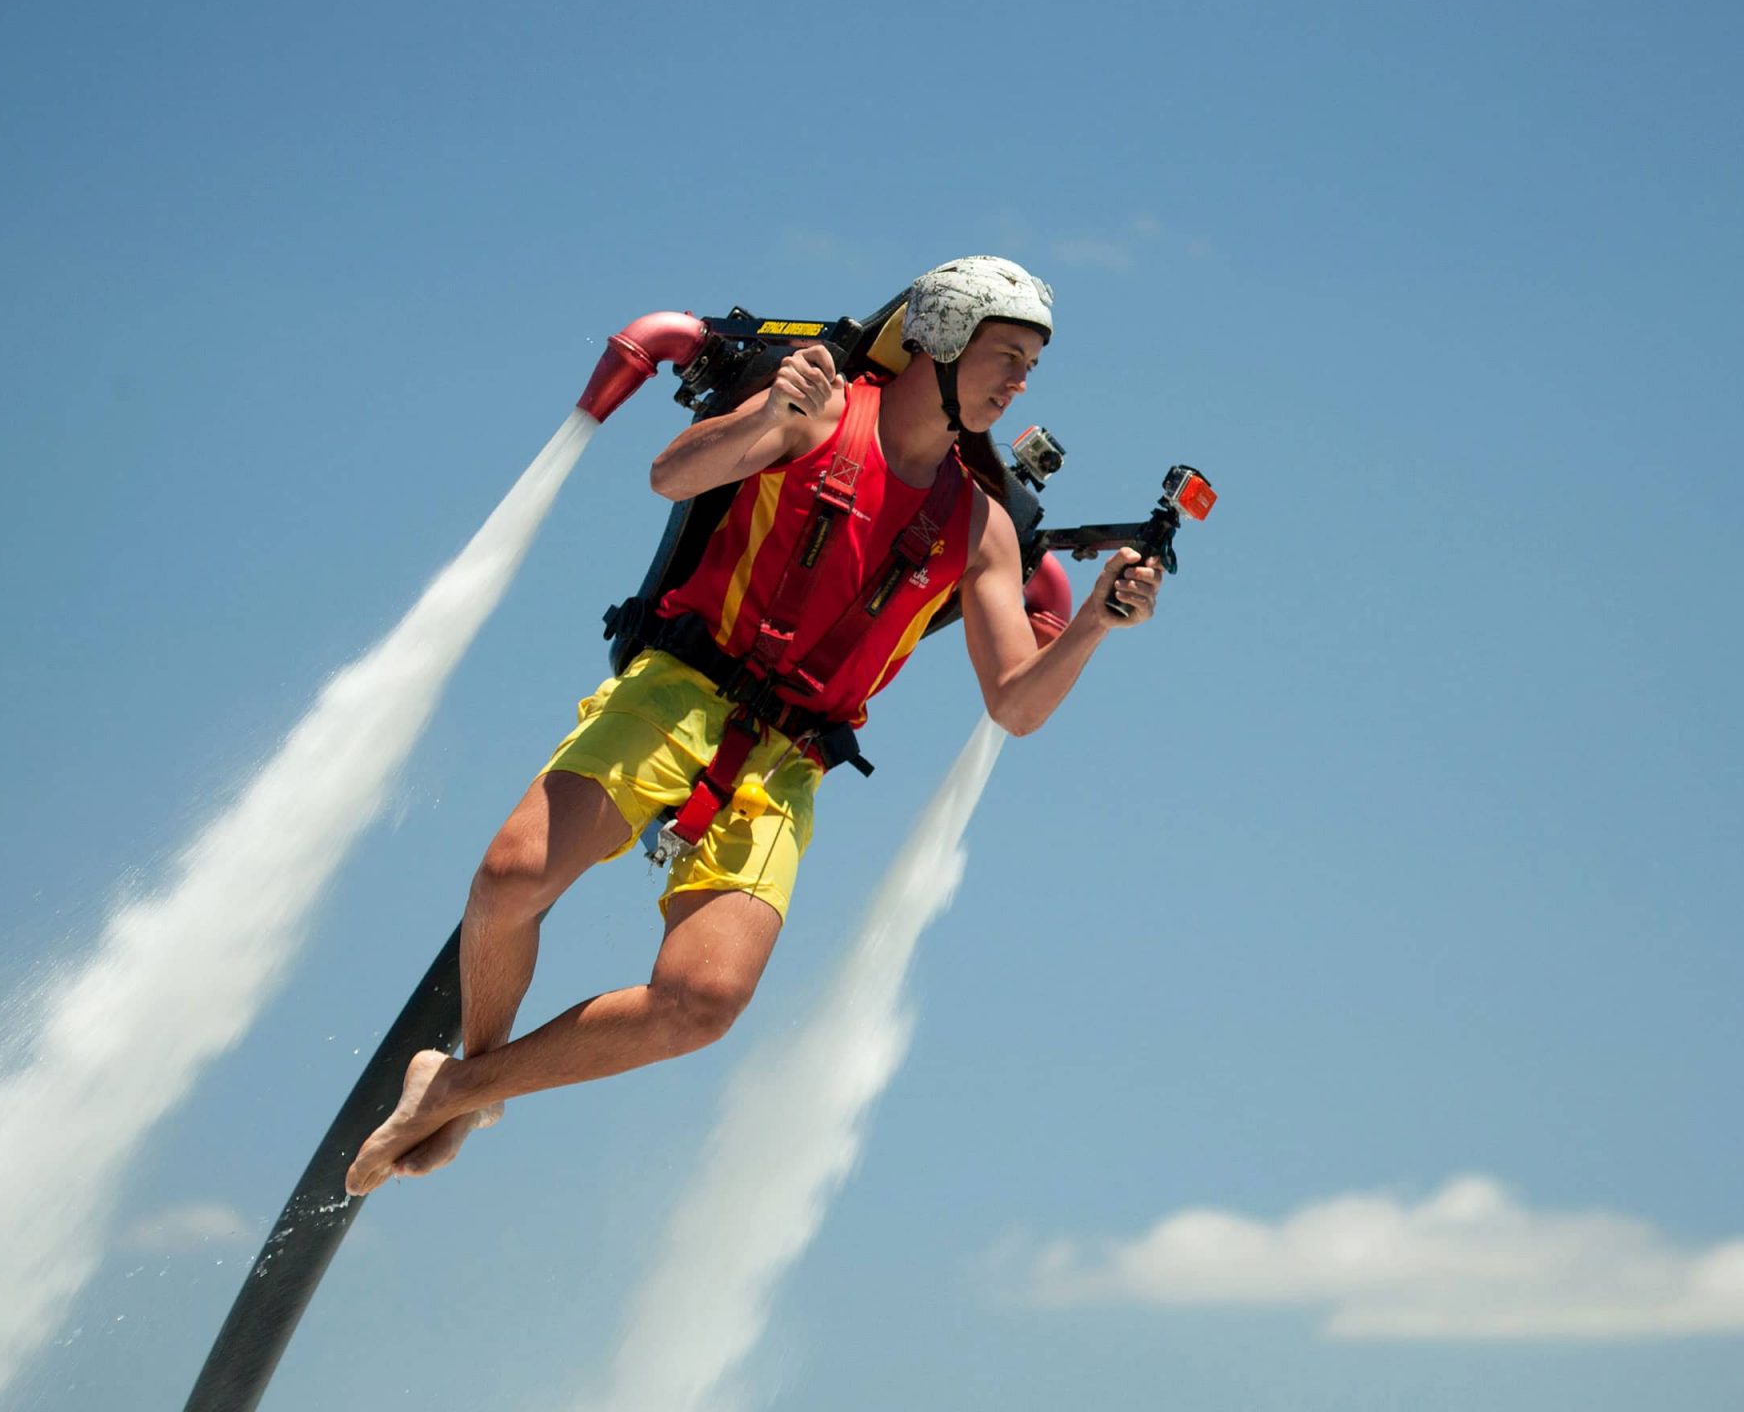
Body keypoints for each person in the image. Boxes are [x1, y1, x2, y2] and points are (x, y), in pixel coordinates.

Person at [345, 256, 1161, 1195]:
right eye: (1006, 354)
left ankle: (458, 1090)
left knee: (703, 1004)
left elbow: (1015, 705)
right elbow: (670, 475)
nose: (1020, 381)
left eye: (1031, 366)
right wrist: (771, 420)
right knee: (508, 879)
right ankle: (462, 1088)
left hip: (788, 761)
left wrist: (1094, 620)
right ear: (940, 340)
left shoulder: (982, 527)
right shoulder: (818, 406)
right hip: (682, 689)